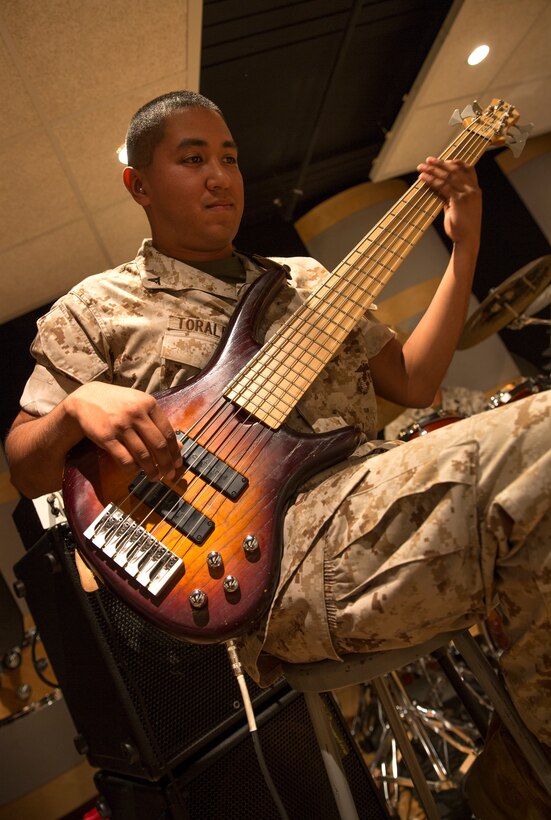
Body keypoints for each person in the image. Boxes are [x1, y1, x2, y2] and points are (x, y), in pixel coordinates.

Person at [4, 91, 551, 817]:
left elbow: (414, 382)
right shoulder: (96, 307)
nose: (219, 176)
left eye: (228, 158)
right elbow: (26, 465)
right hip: (272, 565)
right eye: (191, 158)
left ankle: (515, 784)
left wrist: (466, 246)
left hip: (371, 503)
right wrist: (77, 407)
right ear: (138, 183)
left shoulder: (304, 280)